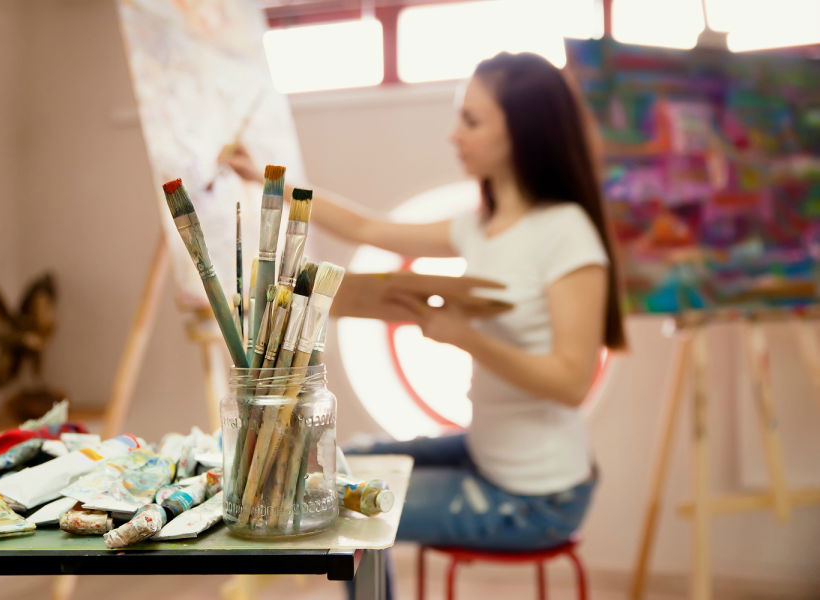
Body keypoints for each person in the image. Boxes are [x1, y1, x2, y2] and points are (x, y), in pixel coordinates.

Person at [226, 50, 626, 591]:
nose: (453, 135)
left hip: (539, 497)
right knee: (346, 461)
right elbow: (369, 228)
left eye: (471, 120)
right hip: (489, 452)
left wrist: (464, 338)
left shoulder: (566, 232)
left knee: (349, 509)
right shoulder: (481, 226)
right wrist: (269, 185)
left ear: (523, 131)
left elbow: (573, 383)